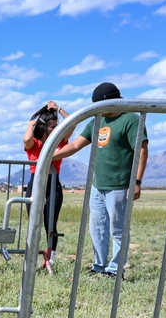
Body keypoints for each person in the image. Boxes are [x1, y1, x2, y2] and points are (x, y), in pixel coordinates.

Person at [52, 82, 148, 277]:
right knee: (97, 229)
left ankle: (115, 270)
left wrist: (136, 182)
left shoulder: (130, 120)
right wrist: (49, 157)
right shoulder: (97, 121)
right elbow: (77, 145)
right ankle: (99, 266)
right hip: (98, 186)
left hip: (120, 185)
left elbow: (142, 151)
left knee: (118, 230)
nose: (98, 110)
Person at [22, 100, 73, 270]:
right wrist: (31, 124)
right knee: (34, 222)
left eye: (57, 126)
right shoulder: (34, 144)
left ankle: (50, 258)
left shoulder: (59, 142)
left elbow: (72, 121)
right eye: (52, 126)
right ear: (43, 127)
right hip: (35, 183)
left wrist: (59, 109)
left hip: (54, 185)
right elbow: (26, 139)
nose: (56, 129)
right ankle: (33, 257)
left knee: (51, 223)